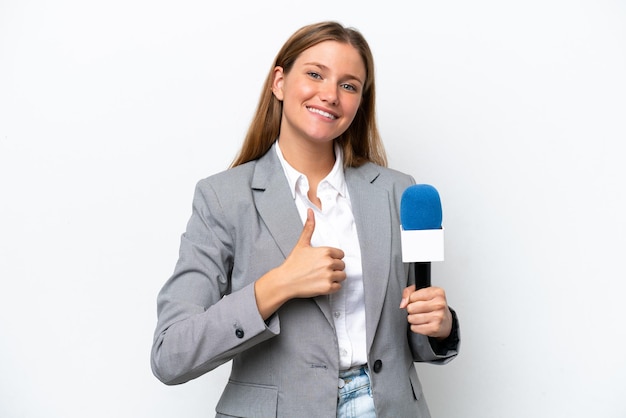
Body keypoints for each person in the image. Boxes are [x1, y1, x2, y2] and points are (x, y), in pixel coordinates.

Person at [151, 21, 460, 418]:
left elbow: (411, 335)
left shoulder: (396, 191)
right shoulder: (223, 199)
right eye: (315, 74)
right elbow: (170, 355)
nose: (330, 95)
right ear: (279, 82)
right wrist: (276, 286)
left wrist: (440, 326)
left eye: (349, 86)